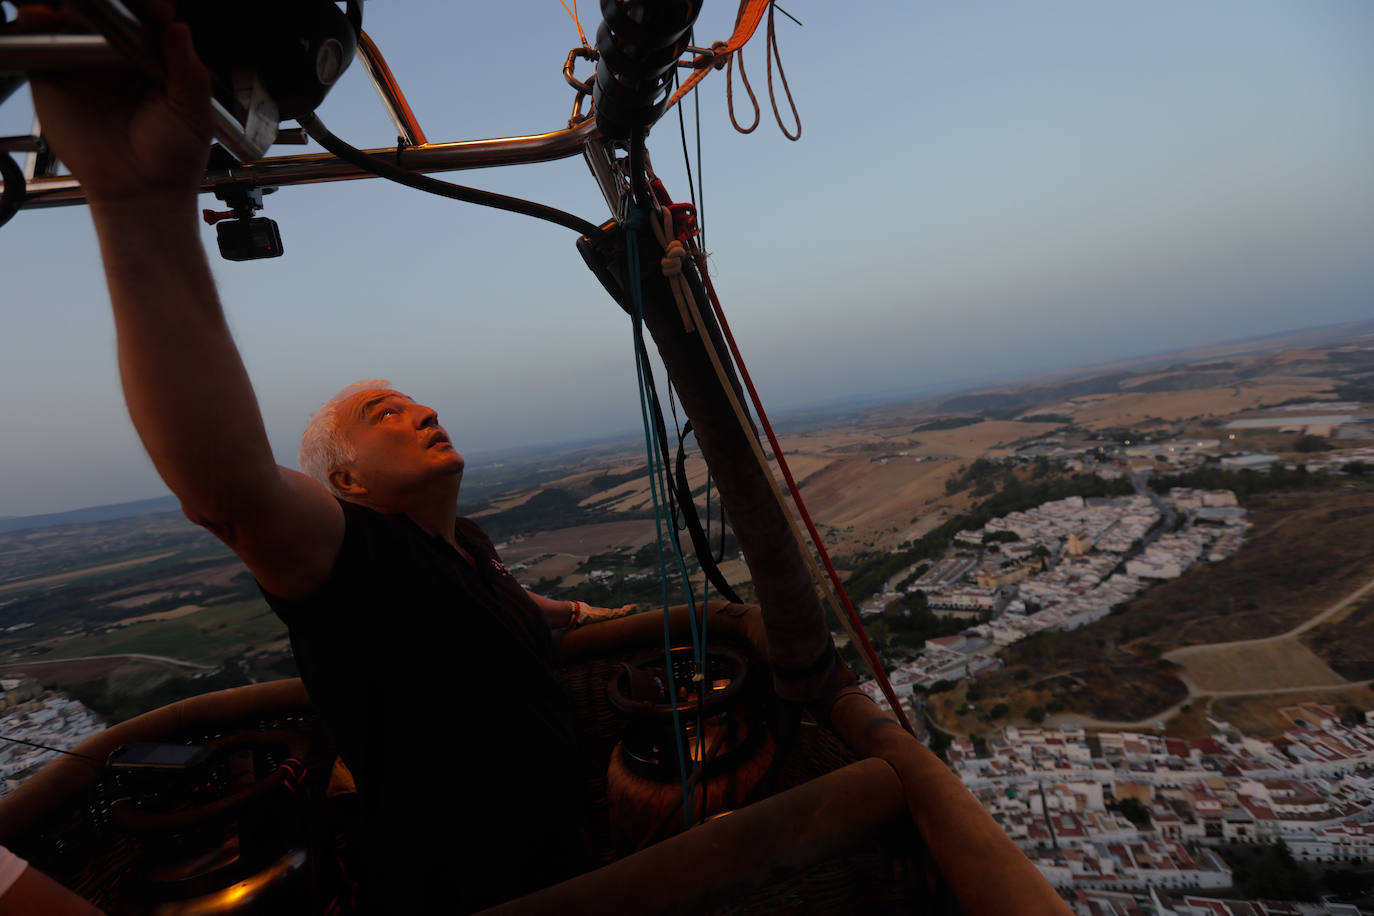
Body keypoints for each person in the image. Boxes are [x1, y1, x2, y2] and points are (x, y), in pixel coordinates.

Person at [14, 4, 628, 911]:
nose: (422, 410)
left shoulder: (464, 547)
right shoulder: (355, 567)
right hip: (466, 889)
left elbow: (497, 604)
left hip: (567, 851)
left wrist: (575, 607)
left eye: (414, 398)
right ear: (343, 484)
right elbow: (230, 492)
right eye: (386, 412)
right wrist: (142, 205)